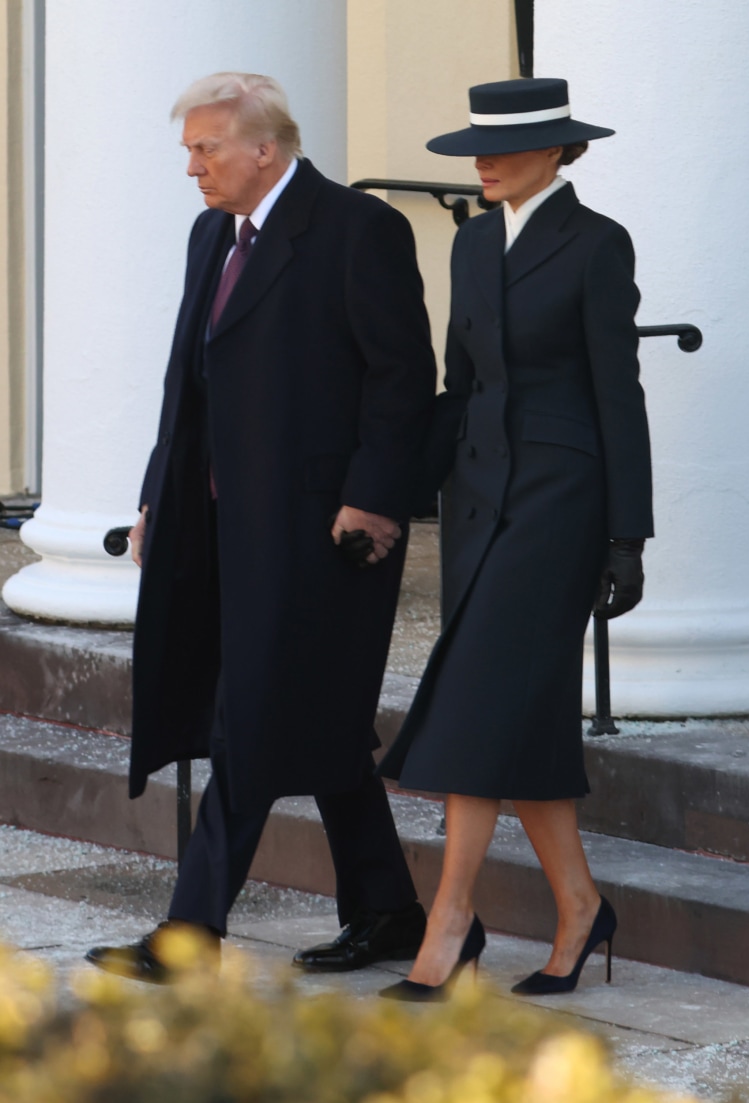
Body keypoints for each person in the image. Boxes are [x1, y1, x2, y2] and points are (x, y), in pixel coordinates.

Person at [86, 72, 436, 983]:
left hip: (323, 530)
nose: (192, 167)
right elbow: (187, 384)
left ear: (265, 150)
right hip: (218, 523)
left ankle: (189, 932)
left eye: (205, 148)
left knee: (251, 715)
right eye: (190, 150)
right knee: (312, 711)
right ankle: (390, 909)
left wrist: (375, 497)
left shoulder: (361, 229)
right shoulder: (212, 233)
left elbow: (402, 377)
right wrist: (159, 491)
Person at [378, 78, 653, 1001]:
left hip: (559, 502)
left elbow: (621, 393)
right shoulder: (469, 241)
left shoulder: (598, 245)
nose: (479, 164)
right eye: (472, 152)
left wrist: (628, 535)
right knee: (520, 717)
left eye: (496, 150)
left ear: (556, 151)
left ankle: (450, 920)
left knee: (474, 700)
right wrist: (390, 490)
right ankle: (579, 906)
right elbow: (459, 383)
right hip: (475, 499)